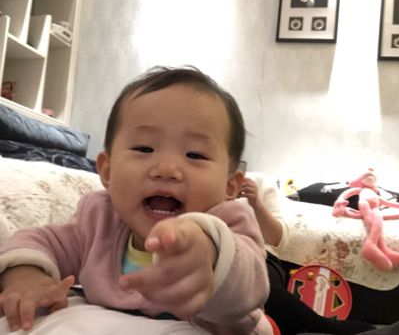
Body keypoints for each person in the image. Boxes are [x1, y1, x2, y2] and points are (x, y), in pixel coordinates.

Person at [0, 66, 275, 334]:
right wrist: (26, 276)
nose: (167, 169)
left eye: (195, 155)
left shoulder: (229, 222)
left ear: (230, 185)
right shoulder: (99, 218)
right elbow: (34, 241)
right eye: (144, 148)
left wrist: (211, 258)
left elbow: (253, 286)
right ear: (107, 171)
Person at [238, 173, 376, 335]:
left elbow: (277, 240)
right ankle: (318, 325)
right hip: (221, 261)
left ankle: (321, 325)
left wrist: (256, 205)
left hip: (260, 257)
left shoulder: (258, 182)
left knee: (258, 289)